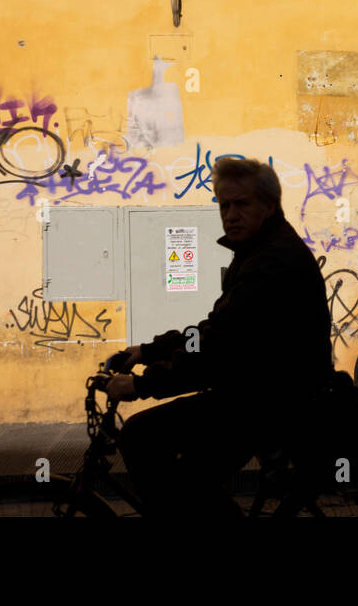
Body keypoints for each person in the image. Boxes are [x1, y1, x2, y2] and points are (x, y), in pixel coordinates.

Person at [105, 156, 334, 517]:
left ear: (269, 206)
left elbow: (216, 350)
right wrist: (150, 350)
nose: (230, 214)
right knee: (190, 480)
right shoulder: (260, 250)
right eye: (224, 205)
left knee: (140, 437)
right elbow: (217, 329)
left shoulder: (269, 262)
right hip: (262, 394)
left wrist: (140, 386)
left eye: (241, 204)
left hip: (269, 402)